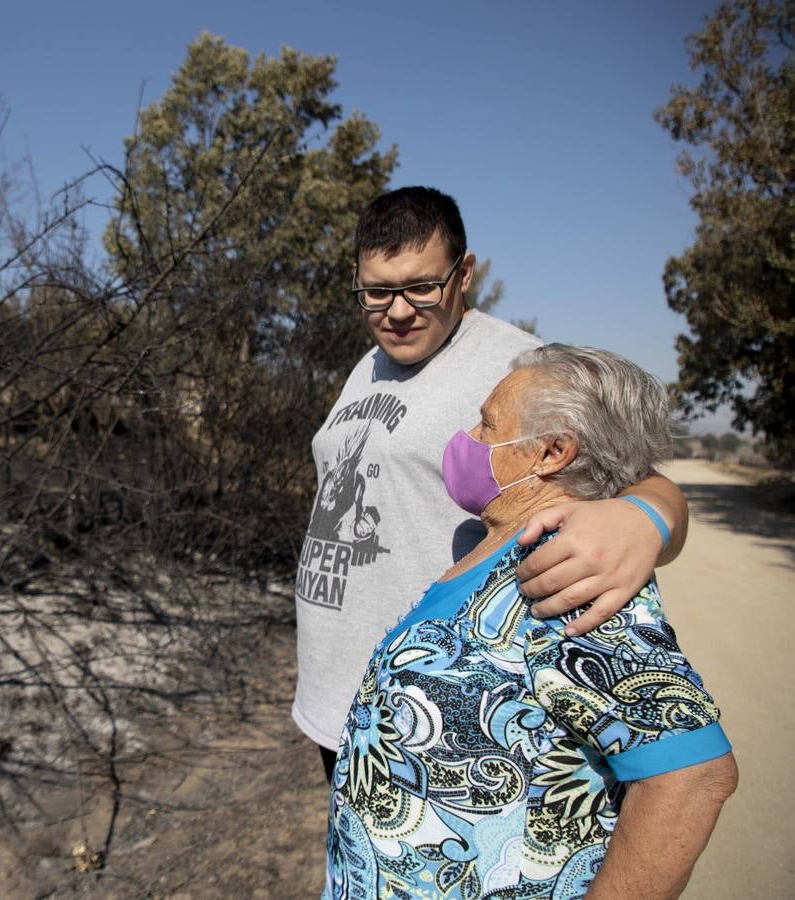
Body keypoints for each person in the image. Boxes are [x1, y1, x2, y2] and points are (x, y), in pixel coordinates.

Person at [294, 187, 691, 779]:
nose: (397, 311)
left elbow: (651, 484)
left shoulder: (519, 365)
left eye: (421, 287)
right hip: (337, 697)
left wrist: (645, 520)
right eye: (377, 292)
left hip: (431, 707)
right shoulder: (371, 361)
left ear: (465, 274)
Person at [324, 344, 737, 897]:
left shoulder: (566, 574)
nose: (468, 437)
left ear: (552, 452)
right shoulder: (494, 545)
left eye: (488, 423)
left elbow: (692, 777)